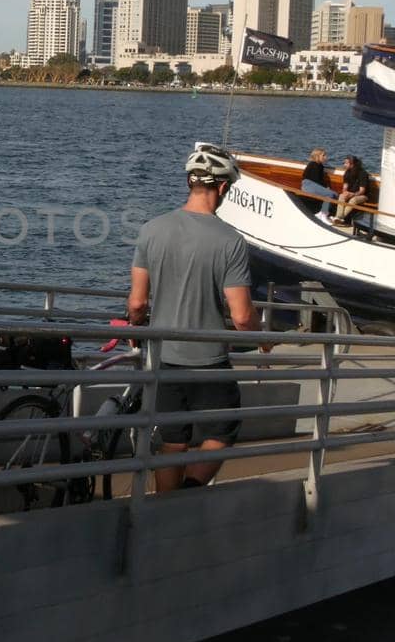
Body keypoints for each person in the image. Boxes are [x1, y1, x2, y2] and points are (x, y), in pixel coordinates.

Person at [128, 143, 269, 493]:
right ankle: (190, 492)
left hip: (164, 357)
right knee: (222, 429)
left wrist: (135, 328)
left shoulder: (151, 230)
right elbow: (240, 315)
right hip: (209, 361)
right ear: (222, 187)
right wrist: (264, 337)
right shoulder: (231, 241)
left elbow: (136, 303)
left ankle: (165, 508)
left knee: (172, 440)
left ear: (191, 183)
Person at [332, 155, 371, 226]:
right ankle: (338, 218)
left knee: (353, 200)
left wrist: (352, 194)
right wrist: (345, 192)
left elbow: (362, 191)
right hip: (351, 194)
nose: (344, 165)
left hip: (363, 196)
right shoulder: (347, 172)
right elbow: (345, 187)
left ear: (352, 164)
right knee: (341, 196)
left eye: (346, 163)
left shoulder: (362, 173)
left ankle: (339, 218)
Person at [299, 148, 336, 217]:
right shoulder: (313, 165)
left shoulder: (320, 166)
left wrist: (326, 187)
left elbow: (320, 180)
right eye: (323, 155)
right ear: (317, 156)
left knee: (334, 194)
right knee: (330, 194)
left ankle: (324, 213)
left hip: (314, 186)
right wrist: (326, 188)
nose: (326, 157)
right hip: (308, 185)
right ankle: (323, 214)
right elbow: (316, 180)